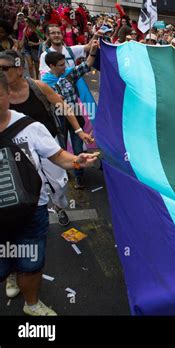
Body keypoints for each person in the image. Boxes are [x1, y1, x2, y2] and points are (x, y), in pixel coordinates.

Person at [0, 70, 98, 316]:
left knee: (31, 264)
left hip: (32, 210)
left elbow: (57, 156)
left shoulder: (29, 126)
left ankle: (32, 303)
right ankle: (11, 275)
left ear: (7, 95)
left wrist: (77, 160)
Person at [42, 39, 99, 189]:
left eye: (64, 64)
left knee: (78, 147)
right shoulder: (45, 82)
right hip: (59, 119)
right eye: (61, 65)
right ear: (51, 66)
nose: (64, 67)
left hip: (76, 115)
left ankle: (79, 177)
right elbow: (44, 101)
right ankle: (63, 174)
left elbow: (87, 65)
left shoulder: (69, 74)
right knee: (60, 149)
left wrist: (93, 50)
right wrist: (53, 99)